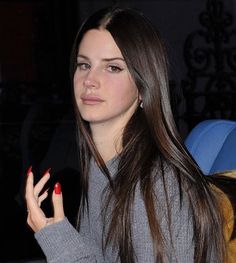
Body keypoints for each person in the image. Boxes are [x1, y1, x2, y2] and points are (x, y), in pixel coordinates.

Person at [25, 6, 230, 262]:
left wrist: (56, 239)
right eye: (84, 64)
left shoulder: (155, 186)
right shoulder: (103, 167)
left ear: (144, 87)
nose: (90, 79)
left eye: (113, 68)